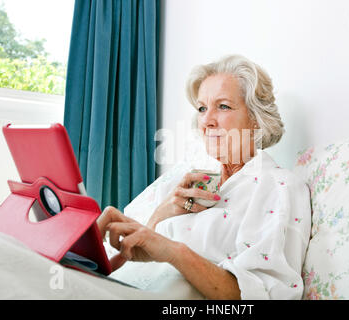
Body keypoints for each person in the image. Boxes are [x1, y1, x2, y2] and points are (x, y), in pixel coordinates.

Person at [99, 54, 312, 300]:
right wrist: (159, 216)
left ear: (256, 118)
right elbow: (132, 252)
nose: (206, 121)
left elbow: (263, 294)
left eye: (223, 106)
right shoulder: (184, 180)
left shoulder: (279, 187)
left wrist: (175, 252)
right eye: (202, 108)